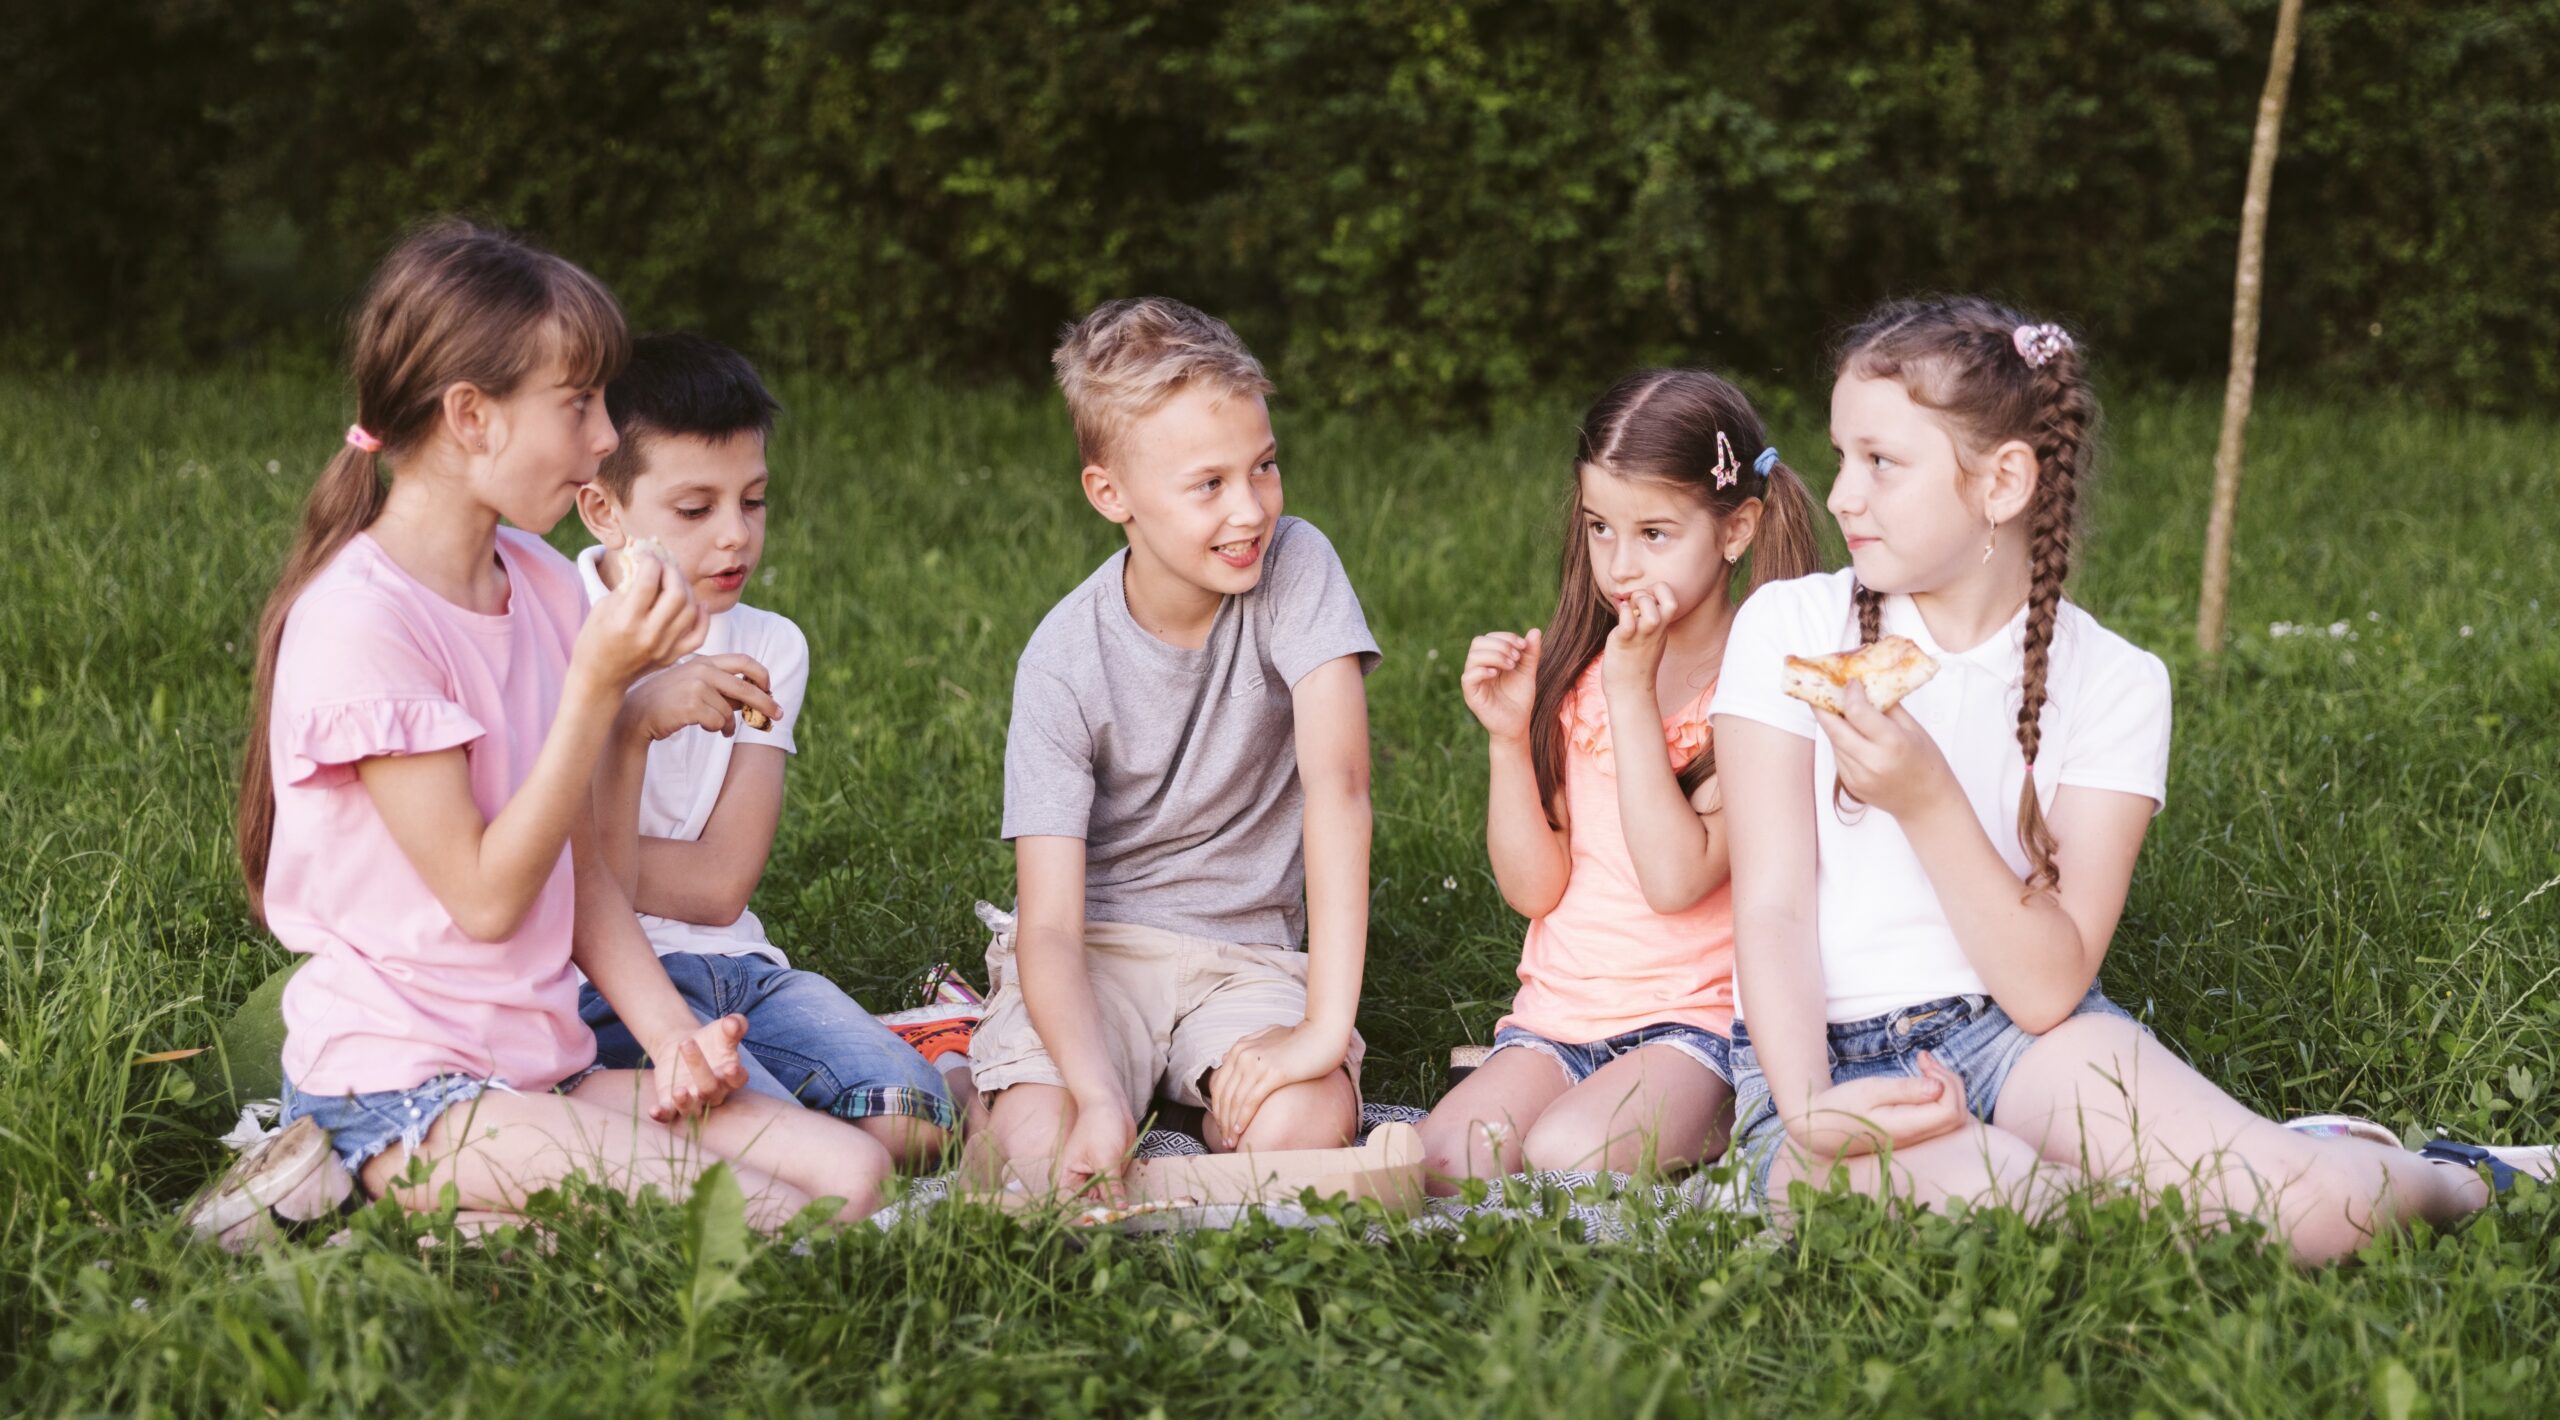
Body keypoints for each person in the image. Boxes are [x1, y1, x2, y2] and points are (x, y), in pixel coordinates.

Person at [1711, 296, 2527, 1264]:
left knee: (2317, 1217)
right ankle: (2096, 1178)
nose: (1842, 495)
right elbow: (1769, 907)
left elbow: (2048, 987)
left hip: (2017, 1035)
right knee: (2024, 1215)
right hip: (1813, 1057)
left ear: (2003, 481)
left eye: (1881, 461)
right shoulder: (1789, 626)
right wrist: (1808, 1106)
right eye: (1843, 455)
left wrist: (1927, 799)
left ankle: (2453, 1172)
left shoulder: (2116, 681)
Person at [223, 221, 891, 1233]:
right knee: (760, 1213)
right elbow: (489, 898)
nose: (600, 440)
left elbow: (578, 874)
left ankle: (489, 1222)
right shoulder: (363, 620)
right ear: (470, 416)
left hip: (546, 1067)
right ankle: (374, 1184)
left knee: (850, 1175)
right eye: (578, 404)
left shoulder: (534, 580)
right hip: (404, 1089)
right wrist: (599, 691)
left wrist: (672, 1038)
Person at [971, 297, 1379, 1197]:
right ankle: (1046, 1090)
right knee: (1044, 1150)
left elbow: (1340, 792)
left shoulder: (1297, 567)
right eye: (1209, 485)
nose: (1250, 510)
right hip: (1097, 954)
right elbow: (1046, 924)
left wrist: (1318, 1030)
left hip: (1247, 958)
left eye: (1264, 468)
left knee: (1304, 1134)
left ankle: (1197, 1097)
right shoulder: (1063, 659)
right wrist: (1092, 1093)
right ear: (1110, 494)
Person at [1420, 370, 1821, 1189]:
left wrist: (1631, 693)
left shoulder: (1757, 686)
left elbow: (1676, 880)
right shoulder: (1581, 676)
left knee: (1568, 1156)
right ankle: (1579, 1102)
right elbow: (1537, 889)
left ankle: (1720, 1119)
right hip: (1558, 1019)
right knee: (1444, 1161)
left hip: (1697, 1027)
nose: (1620, 565)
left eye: (1655, 535)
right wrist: (1506, 741)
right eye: (1601, 528)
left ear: (1736, 528)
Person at [572, 332, 955, 1167]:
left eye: (754, 500)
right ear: (603, 508)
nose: (735, 537)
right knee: (798, 1149)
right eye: (694, 508)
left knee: (916, 1128)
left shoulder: (769, 644)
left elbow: (718, 886)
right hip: (600, 981)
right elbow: (581, 895)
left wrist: (584, 864)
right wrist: (633, 721)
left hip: (740, 967)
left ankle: (942, 1055)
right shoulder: (552, 624)